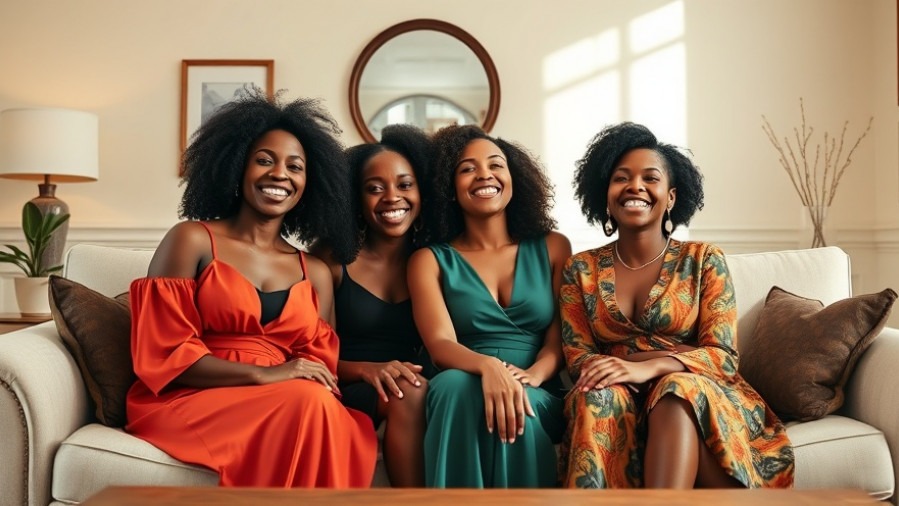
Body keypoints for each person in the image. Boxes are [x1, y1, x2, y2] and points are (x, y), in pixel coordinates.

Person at [125, 90, 378, 488]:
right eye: (264, 160)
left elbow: (320, 369)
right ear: (235, 167)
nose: (280, 174)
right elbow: (163, 352)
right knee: (308, 403)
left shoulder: (314, 271)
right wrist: (266, 374)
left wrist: (290, 377)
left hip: (292, 399)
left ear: (310, 183)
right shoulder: (191, 239)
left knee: (316, 403)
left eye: (295, 166)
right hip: (194, 394)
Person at [559, 122, 794, 489]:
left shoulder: (703, 259)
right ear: (605, 195)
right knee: (595, 397)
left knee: (675, 389)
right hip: (618, 391)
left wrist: (644, 365)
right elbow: (579, 357)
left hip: (694, 393)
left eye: (649, 178)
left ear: (670, 198)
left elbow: (722, 356)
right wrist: (638, 366)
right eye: (621, 178)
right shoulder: (580, 269)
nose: (635, 186)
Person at [407, 124, 571, 487]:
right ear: (449, 188)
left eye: (495, 165)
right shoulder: (429, 260)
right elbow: (440, 345)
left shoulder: (554, 247)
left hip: (537, 383)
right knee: (451, 386)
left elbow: (559, 338)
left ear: (514, 177)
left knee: (521, 401)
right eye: (467, 168)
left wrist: (534, 376)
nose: (484, 174)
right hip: (461, 374)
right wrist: (489, 368)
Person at [310, 124, 431, 487]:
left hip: (418, 377)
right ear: (355, 200)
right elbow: (313, 353)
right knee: (408, 389)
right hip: (347, 380)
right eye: (374, 189)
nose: (392, 197)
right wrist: (367, 369)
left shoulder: (434, 258)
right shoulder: (330, 260)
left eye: (405, 185)